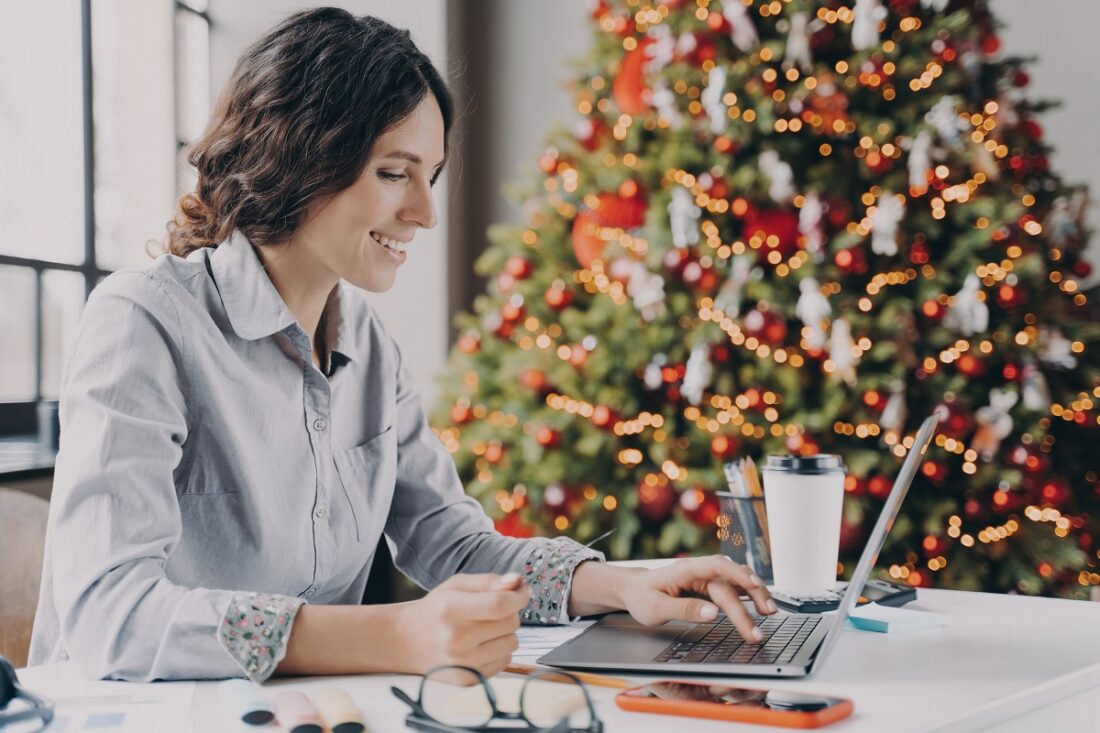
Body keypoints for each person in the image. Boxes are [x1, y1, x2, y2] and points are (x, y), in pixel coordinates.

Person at [29, 8, 774, 683]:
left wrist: (623, 582)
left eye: (432, 177)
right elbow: (112, 615)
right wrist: (390, 634)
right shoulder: (143, 321)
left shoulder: (369, 350)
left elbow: (452, 544)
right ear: (302, 156)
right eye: (395, 173)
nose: (423, 213)